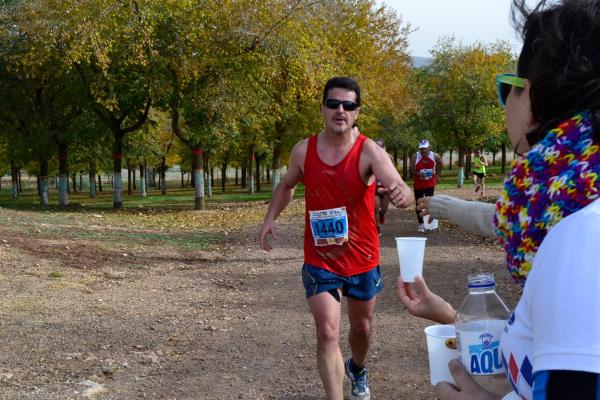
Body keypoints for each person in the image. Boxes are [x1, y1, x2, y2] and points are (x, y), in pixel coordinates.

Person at [398, 1, 600, 399]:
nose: (504, 102)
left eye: (507, 87)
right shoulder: (565, 221)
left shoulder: (578, 238)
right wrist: (455, 318)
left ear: (533, 101)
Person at [259, 77, 413, 400]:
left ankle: (357, 367)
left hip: (362, 258)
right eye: (333, 104)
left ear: (357, 112)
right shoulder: (304, 151)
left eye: (348, 105)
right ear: (323, 109)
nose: (340, 110)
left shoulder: (369, 151)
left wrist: (403, 195)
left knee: (361, 328)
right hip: (320, 260)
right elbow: (286, 186)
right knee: (327, 330)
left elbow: (402, 189)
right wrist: (270, 218)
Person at [409, 139, 442, 232]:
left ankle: (428, 224)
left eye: (425, 148)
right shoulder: (415, 156)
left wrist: (438, 175)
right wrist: (419, 174)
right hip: (418, 183)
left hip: (430, 183)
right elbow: (411, 170)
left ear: (429, 148)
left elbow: (440, 163)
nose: (423, 150)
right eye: (421, 148)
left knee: (429, 203)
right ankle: (421, 223)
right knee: (419, 203)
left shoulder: (435, 156)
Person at [373, 138, 395, 235]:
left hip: (385, 187)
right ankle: (377, 227)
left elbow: (394, 173)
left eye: (380, 147)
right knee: (376, 207)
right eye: (376, 147)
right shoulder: (369, 157)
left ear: (384, 147)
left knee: (384, 209)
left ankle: (382, 214)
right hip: (374, 188)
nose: (378, 149)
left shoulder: (389, 157)